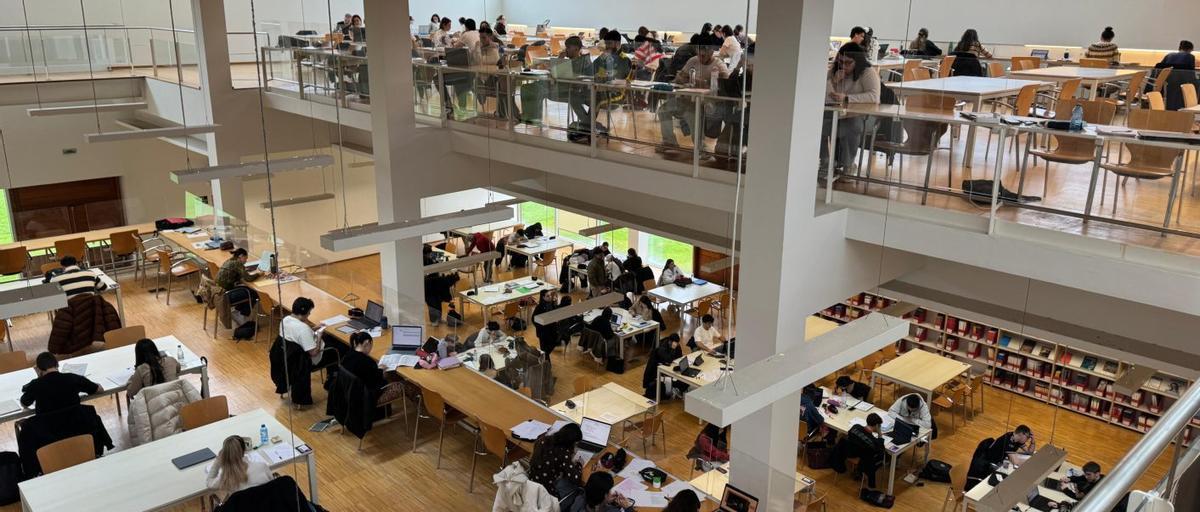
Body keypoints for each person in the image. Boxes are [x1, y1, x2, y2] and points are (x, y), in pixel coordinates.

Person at [657, 33, 729, 153]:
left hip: (705, 103)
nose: (702, 55)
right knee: (663, 110)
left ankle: (701, 148)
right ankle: (669, 142)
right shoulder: (693, 61)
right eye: (700, 50)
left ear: (712, 51)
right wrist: (680, 78)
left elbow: (725, 82)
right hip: (686, 99)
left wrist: (704, 82)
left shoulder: (718, 64)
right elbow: (680, 77)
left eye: (705, 51)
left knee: (691, 112)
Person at [821, 42, 879, 174]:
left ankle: (848, 164)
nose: (843, 66)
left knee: (851, 126)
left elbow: (874, 96)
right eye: (841, 61)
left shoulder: (867, 72)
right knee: (819, 124)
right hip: (839, 114)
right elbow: (823, 93)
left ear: (857, 62)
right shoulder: (835, 70)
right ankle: (825, 160)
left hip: (862, 116)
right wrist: (833, 81)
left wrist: (847, 98)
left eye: (848, 63)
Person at [20, 352, 101, 414]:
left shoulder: (35, 384)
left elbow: (24, 403)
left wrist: (39, 378)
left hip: (49, 432)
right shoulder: (73, 378)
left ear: (38, 369)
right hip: (76, 427)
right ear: (57, 364)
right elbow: (99, 390)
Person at [280, 297, 337, 376]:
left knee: (330, 338)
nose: (309, 314)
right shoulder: (303, 329)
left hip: (291, 357)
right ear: (304, 312)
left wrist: (315, 327)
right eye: (309, 312)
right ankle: (332, 376)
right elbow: (314, 353)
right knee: (340, 347)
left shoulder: (285, 320)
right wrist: (319, 337)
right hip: (309, 360)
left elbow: (298, 333)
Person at [206, 435, 273, 502]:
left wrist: (217, 461)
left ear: (225, 454)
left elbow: (209, 483)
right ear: (244, 450)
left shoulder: (226, 477)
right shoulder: (262, 467)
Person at [339, 331, 397, 406]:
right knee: (403, 384)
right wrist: (380, 370)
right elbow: (374, 380)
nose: (371, 349)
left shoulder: (348, 355)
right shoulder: (367, 362)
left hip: (350, 394)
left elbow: (365, 372)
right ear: (367, 343)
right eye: (371, 345)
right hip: (367, 397)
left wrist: (377, 369)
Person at [529, 422, 583, 495]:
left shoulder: (543, 439)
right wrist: (579, 465)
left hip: (531, 483)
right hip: (547, 492)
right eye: (575, 444)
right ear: (570, 443)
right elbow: (575, 478)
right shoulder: (564, 453)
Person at [555, 470, 635, 512]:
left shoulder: (579, 500)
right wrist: (628, 507)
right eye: (609, 491)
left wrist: (606, 501)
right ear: (605, 495)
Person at [216, 248, 261, 316]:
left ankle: (239, 309)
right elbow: (248, 279)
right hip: (225, 295)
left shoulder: (230, 260)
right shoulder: (237, 263)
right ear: (241, 256)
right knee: (254, 292)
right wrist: (259, 274)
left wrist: (243, 271)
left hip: (218, 292)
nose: (246, 261)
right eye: (245, 258)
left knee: (246, 289)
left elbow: (234, 274)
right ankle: (244, 313)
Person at [847, 412, 886, 488]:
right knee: (883, 457)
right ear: (877, 426)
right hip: (862, 460)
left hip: (849, 453)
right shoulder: (873, 441)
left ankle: (857, 471)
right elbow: (881, 450)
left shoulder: (855, 427)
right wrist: (880, 435)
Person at [533, 290, 560, 354]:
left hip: (551, 331)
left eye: (550, 295)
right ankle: (545, 362)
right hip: (543, 333)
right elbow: (534, 319)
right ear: (543, 297)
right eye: (548, 296)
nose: (550, 297)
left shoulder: (551, 303)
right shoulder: (539, 307)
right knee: (544, 352)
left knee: (549, 348)